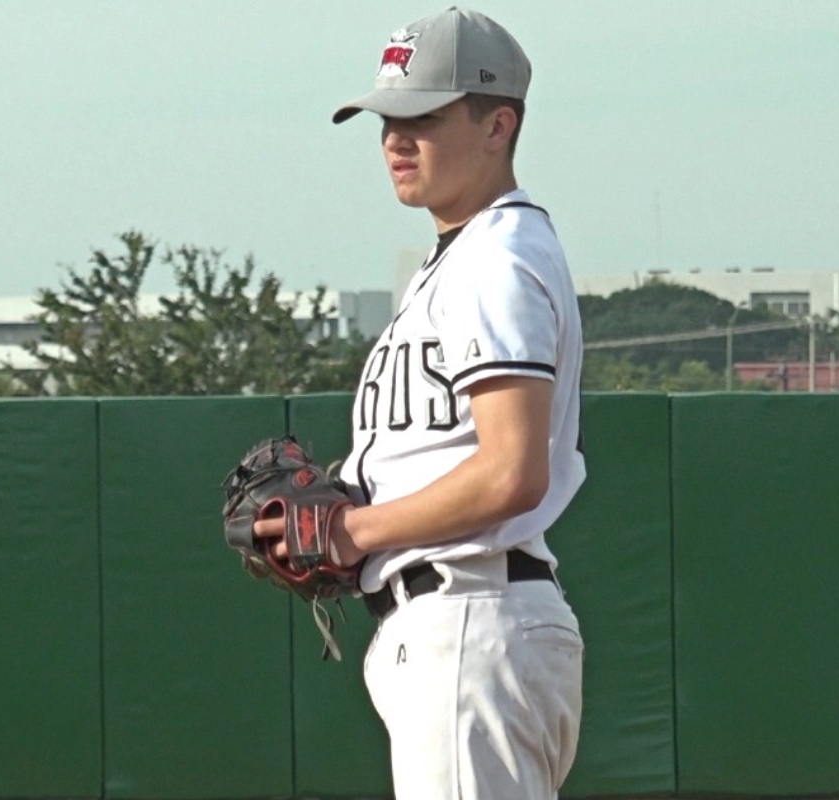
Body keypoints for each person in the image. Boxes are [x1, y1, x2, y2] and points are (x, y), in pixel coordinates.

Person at [260, 7, 585, 798]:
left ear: (497, 124)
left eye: (424, 117)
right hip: (458, 624)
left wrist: (353, 530)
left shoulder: (497, 260)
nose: (396, 141)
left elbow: (513, 472)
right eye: (385, 122)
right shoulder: (461, 261)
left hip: (471, 616)